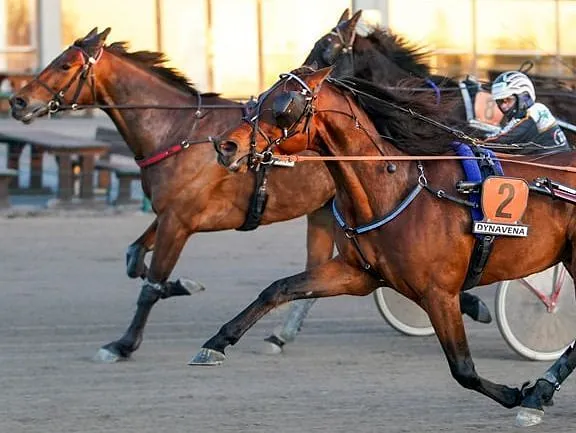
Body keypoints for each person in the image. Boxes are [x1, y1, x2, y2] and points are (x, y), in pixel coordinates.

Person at [484, 71, 570, 153]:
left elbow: (504, 140)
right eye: (500, 102)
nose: (503, 106)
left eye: (508, 100)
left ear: (524, 97)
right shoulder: (519, 117)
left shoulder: (535, 111)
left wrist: (479, 143)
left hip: (552, 163)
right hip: (544, 161)